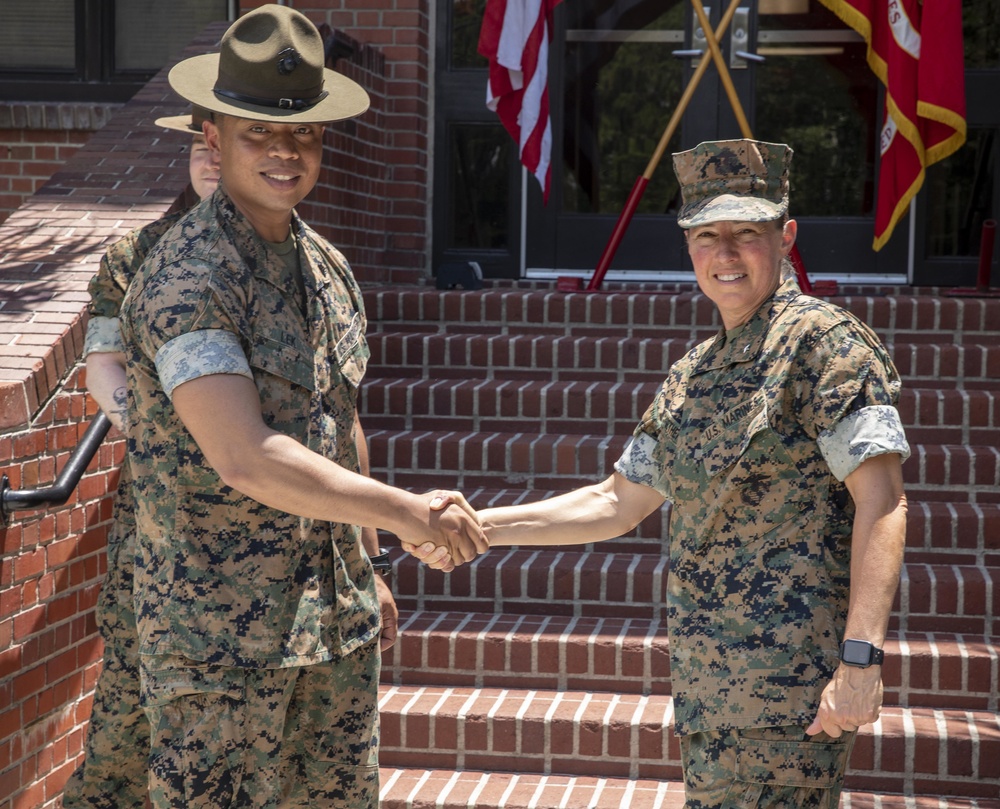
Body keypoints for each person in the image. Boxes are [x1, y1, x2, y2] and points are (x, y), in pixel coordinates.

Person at [412, 139, 910, 807]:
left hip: (789, 694)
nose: (726, 254)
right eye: (708, 235)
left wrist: (859, 663)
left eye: (747, 233)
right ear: (688, 246)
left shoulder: (823, 345)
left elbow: (883, 502)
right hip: (711, 693)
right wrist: (473, 527)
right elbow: (616, 502)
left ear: (786, 236)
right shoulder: (694, 374)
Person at [117, 6, 486, 807]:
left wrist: (368, 560)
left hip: (333, 626)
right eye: (258, 131)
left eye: (305, 132)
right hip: (220, 649)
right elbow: (242, 453)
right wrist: (409, 513)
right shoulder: (190, 277)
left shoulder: (326, 266)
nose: (286, 151)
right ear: (211, 136)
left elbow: (337, 422)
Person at [63, 106, 220, 809]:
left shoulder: (304, 268)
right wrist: (180, 436)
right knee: (127, 736)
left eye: (224, 142)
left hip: (276, 555)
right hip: (158, 541)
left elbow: (337, 422)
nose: (209, 157)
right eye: (197, 143)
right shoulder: (135, 256)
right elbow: (103, 373)